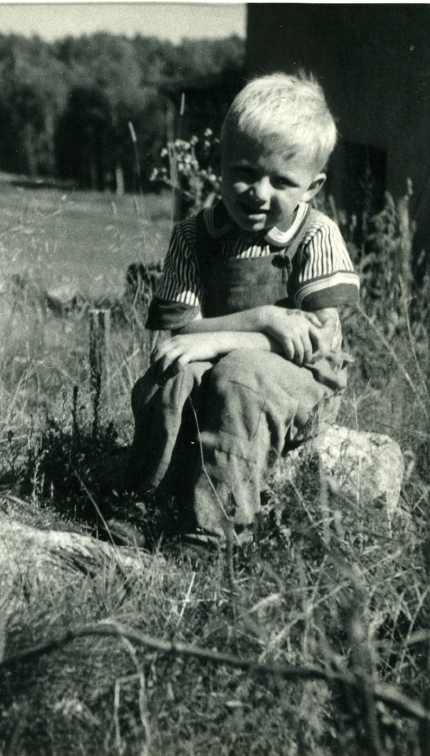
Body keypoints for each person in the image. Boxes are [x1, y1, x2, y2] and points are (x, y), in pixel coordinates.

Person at [127, 72, 359, 546]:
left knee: (239, 375)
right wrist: (260, 319)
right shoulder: (194, 237)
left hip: (303, 379)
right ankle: (144, 503)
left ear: (312, 188)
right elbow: (177, 336)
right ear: (220, 162)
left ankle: (219, 529)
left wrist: (219, 338)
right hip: (223, 361)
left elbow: (320, 338)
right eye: (246, 172)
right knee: (170, 377)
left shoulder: (315, 236)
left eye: (281, 181)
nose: (259, 192)